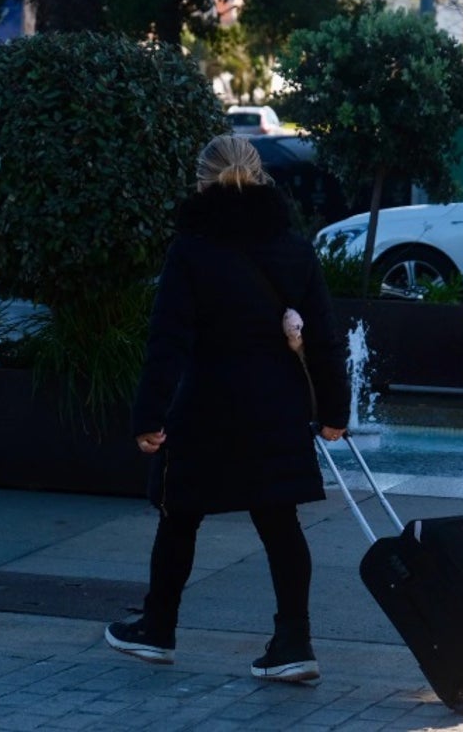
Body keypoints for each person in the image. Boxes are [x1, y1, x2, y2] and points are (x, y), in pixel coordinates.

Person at [105, 134, 351, 681]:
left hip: (207, 406)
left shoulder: (192, 247)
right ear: (260, 178)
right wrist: (335, 410)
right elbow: (325, 337)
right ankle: (294, 642)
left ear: (201, 181)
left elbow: (168, 340)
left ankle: (158, 628)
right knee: (280, 524)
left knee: (180, 517)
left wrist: (148, 416)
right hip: (276, 405)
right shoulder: (292, 246)